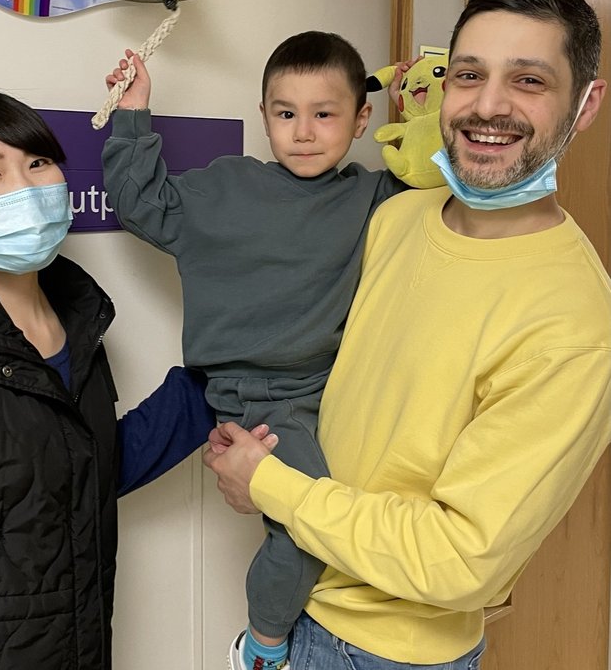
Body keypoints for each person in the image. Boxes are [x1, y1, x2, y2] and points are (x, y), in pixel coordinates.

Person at [203, 0, 611, 669]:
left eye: (529, 81)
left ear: (585, 104)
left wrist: (269, 482)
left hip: (387, 652)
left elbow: (459, 558)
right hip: (295, 599)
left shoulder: (574, 325)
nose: (488, 106)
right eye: (468, 74)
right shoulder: (397, 217)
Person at [101, 32, 439, 670]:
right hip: (260, 399)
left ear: (363, 119)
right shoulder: (227, 188)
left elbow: (442, 193)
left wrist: (423, 109)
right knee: (312, 526)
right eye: (286, 114)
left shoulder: (374, 198)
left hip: (344, 391)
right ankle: (262, 642)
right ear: (264, 117)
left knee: (390, 517)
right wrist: (133, 111)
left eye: (325, 114)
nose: (304, 132)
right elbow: (143, 204)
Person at [0, 91, 215, 670]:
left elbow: (75, 470)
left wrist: (217, 387)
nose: (23, 188)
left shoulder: (76, 322)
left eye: (37, 164)